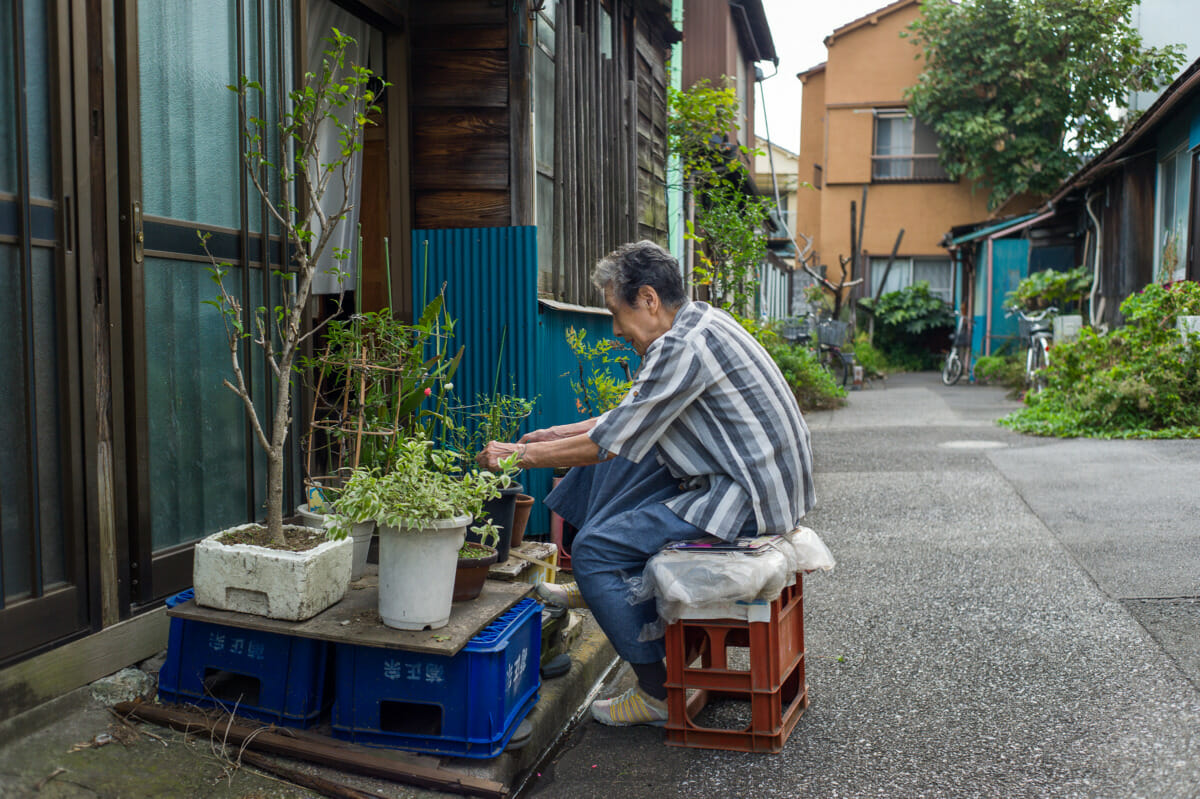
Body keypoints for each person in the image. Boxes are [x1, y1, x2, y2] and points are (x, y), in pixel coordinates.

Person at [476, 240, 815, 727]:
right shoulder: (701, 320)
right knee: (615, 461)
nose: (615, 329)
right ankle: (601, 590)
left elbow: (610, 439)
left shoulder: (679, 346)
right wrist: (559, 433)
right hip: (758, 477)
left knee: (594, 548)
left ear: (650, 300)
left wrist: (519, 454)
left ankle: (655, 693)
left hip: (750, 499)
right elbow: (634, 416)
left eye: (617, 312)